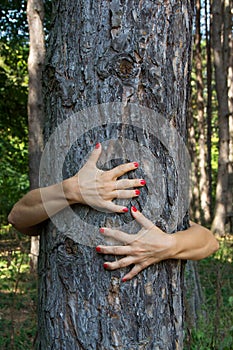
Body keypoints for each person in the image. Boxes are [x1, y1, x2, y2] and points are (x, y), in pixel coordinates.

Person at [8, 143, 219, 281]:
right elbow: (18, 217)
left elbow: (209, 242)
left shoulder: (161, 208)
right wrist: (72, 190)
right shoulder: (64, 184)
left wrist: (169, 245)